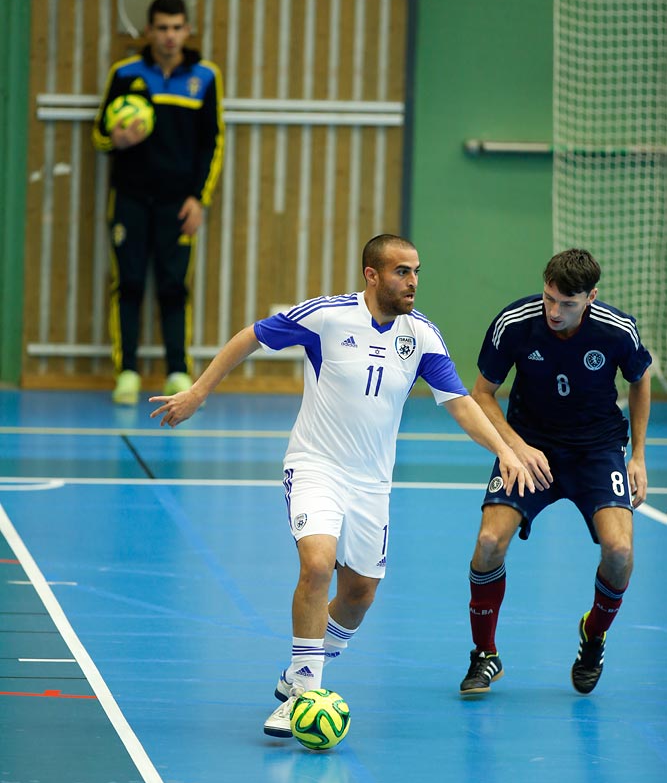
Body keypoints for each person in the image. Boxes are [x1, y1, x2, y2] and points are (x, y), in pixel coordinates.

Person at [150, 234, 534, 738]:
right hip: (316, 466)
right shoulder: (327, 318)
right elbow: (252, 336)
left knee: (359, 593)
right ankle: (307, 692)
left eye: (417, 271)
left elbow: (460, 401)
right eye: (401, 271)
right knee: (316, 565)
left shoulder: (421, 336)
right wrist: (199, 392)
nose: (413, 281)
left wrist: (505, 449)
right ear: (372, 275)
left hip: (372, 482)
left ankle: (299, 673)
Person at [459, 248, 652, 697]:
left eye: (567, 303)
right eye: (549, 298)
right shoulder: (515, 323)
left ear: (590, 298)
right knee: (489, 542)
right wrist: (517, 446)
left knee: (620, 550)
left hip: (597, 450)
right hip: (529, 448)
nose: (554, 311)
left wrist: (638, 454)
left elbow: (639, 379)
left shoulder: (616, 329)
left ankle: (594, 635)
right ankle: (485, 654)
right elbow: (482, 393)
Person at [92, 0, 224, 406]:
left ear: (187, 30)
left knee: (173, 287)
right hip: (129, 199)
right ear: (149, 31)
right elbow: (99, 135)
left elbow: (212, 143)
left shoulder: (204, 76)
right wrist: (117, 139)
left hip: (178, 205)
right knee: (128, 283)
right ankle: (126, 373)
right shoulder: (125, 73)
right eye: (162, 28)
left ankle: (176, 372)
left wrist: (199, 199)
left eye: (176, 27)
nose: (169, 36)